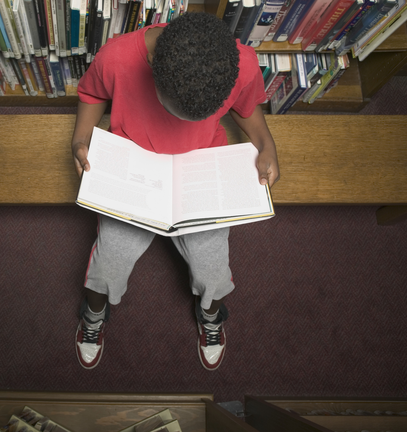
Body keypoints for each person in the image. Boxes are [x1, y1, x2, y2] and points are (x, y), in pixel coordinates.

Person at [71, 12, 280, 371]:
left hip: (200, 171)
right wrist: (80, 138)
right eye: (178, 112)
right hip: (133, 168)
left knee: (213, 270)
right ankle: (94, 311)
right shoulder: (118, 56)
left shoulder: (240, 62)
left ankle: (211, 313)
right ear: (153, 68)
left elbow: (247, 108)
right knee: (107, 265)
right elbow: (92, 92)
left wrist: (266, 144)